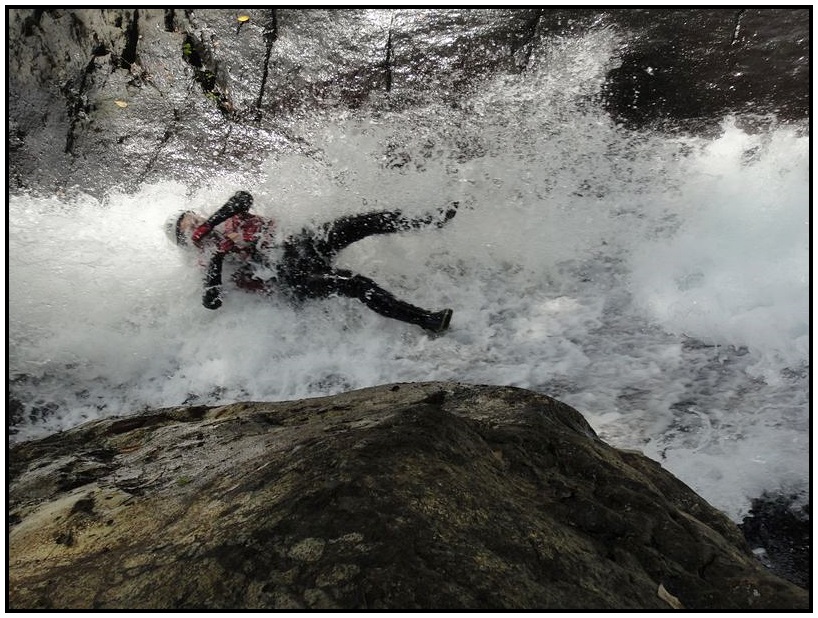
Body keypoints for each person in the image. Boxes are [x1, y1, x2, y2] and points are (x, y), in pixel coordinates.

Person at [165, 191, 457, 333]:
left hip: (300, 248)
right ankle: (427, 320)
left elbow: (243, 197)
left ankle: (429, 220)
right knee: (356, 285)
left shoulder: (226, 216)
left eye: (195, 219)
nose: (197, 225)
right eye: (188, 228)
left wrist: (213, 221)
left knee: (357, 223)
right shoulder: (205, 261)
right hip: (288, 281)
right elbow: (212, 300)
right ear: (186, 242)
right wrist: (219, 257)